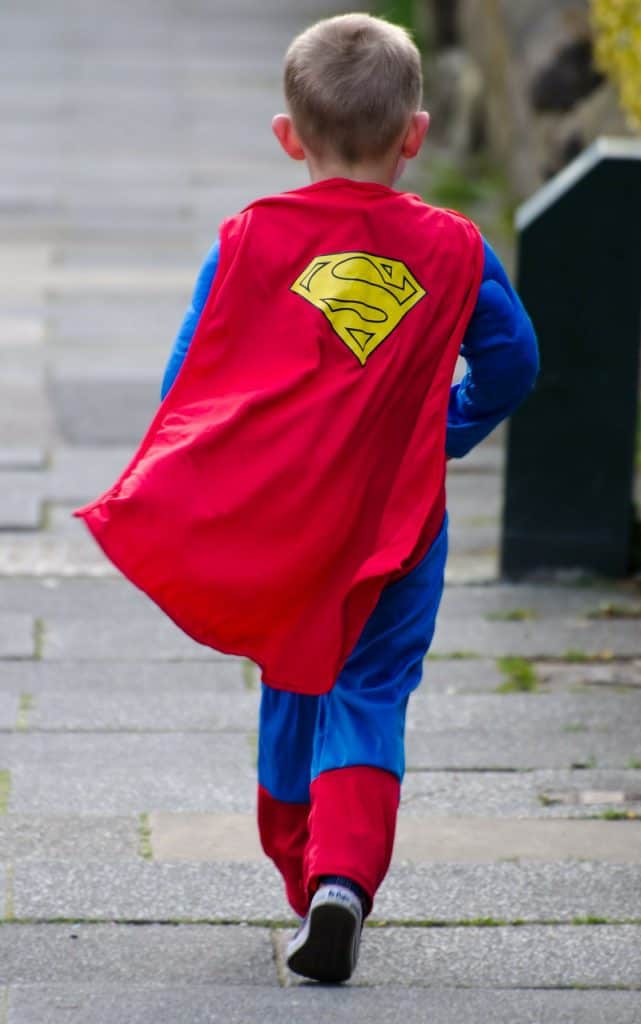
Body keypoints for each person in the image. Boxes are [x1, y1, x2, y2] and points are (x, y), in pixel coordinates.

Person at [76, 13, 538, 984]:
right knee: (370, 690)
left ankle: (300, 867)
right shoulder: (453, 251)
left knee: (295, 668)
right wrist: (428, 434)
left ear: (289, 138)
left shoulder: (250, 241)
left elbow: (186, 385)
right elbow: (511, 363)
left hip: (288, 527)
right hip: (399, 531)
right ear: (415, 134)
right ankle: (343, 882)